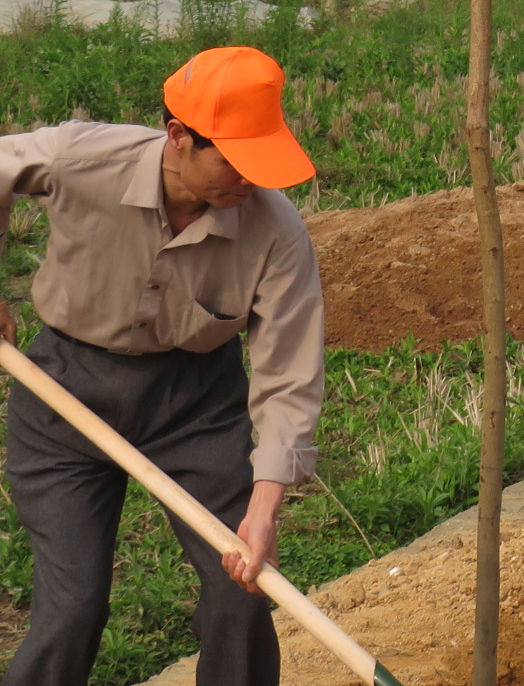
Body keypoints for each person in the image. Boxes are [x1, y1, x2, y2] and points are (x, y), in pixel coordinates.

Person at [0, 47, 324, 686]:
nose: (251, 181)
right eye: (235, 160)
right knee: (72, 607)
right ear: (179, 138)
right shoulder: (83, 160)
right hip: (63, 391)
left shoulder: (277, 233)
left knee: (244, 590)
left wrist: (262, 513)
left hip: (196, 408)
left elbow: (289, 375)